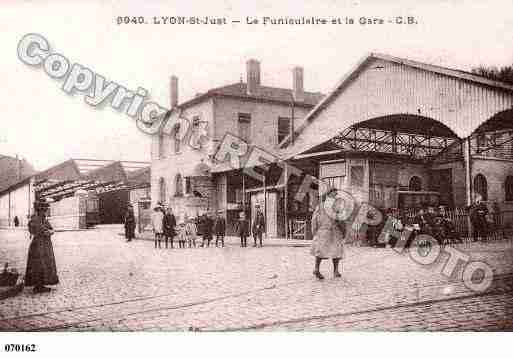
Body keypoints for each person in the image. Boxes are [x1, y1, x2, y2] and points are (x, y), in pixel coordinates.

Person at [310, 187, 346, 280]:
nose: (335, 196)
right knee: (329, 251)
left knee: (329, 250)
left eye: (336, 195)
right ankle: (320, 269)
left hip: (328, 231)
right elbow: (341, 220)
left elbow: (314, 219)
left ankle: (334, 270)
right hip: (328, 230)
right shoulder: (335, 206)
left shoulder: (321, 206)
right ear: (328, 195)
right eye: (333, 195)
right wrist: (343, 230)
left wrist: (314, 231)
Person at [25, 198, 59, 293]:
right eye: (43, 209)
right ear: (39, 209)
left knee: (44, 263)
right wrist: (48, 231)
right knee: (38, 264)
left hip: (44, 244)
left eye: (45, 209)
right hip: (38, 245)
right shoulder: (35, 218)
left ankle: (41, 284)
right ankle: (38, 286)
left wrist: (50, 231)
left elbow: (50, 229)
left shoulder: (43, 218)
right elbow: (40, 230)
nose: (45, 211)